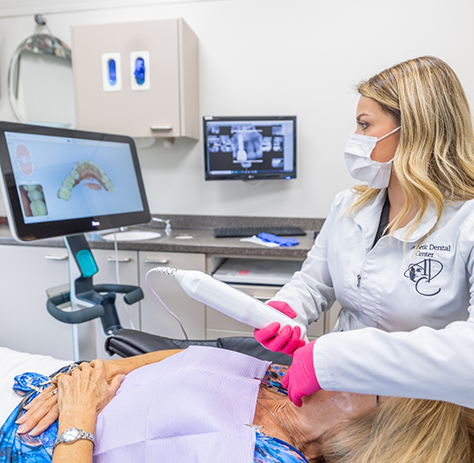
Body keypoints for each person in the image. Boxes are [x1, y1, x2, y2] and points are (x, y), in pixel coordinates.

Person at [254, 56, 474, 409]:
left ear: (415, 129)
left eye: (364, 125)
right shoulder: (349, 205)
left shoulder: (466, 221)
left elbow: (469, 356)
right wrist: (287, 310)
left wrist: (332, 359)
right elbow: (314, 283)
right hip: (341, 394)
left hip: (426, 410)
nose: (355, 139)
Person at [10, 346, 474, 463]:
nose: (346, 358)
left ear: (370, 436)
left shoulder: (267, 455)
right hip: (61, 385)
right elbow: (188, 355)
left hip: (37, 434)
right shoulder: (281, 381)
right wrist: (111, 370)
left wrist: (78, 415)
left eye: (370, 379)